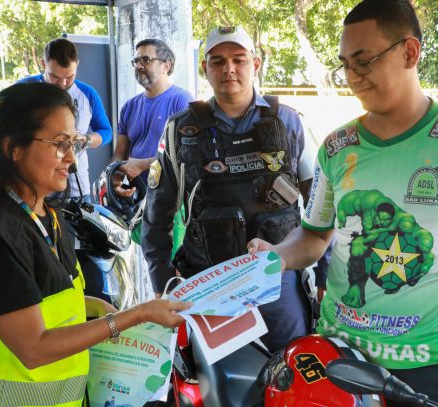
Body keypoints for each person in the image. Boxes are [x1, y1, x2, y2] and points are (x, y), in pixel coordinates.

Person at [248, 2, 438, 406]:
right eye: (345, 65)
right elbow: (315, 236)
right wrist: (278, 255)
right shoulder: (337, 147)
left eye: (364, 61)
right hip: (339, 357)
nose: (352, 77)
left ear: (410, 52)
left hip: (427, 365)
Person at [0, 82, 190, 406]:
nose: (71, 159)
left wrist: (90, 305)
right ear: (12, 148)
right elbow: (34, 347)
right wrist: (134, 316)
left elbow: (42, 296)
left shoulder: (47, 214)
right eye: (60, 145)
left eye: (73, 143)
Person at [141, 26, 314, 352]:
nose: (229, 69)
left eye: (238, 59)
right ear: (205, 68)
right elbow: (156, 215)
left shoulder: (289, 123)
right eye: (218, 61)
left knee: (291, 375)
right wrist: (162, 285)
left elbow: (322, 209)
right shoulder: (181, 130)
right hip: (209, 286)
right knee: (220, 387)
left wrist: (328, 278)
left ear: (256, 64)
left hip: (279, 282)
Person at [18, 38, 112, 202]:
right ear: (43, 63)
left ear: (77, 64)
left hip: (76, 190)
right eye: (55, 76)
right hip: (33, 187)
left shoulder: (87, 94)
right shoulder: (23, 89)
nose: (62, 84)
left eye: (70, 77)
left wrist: (87, 140)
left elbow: (106, 132)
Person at [112, 38, 194, 196]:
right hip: (137, 196)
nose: (139, 66)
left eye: (146, 60)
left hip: (172, 198)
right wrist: (114, 184)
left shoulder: (182, 100)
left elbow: (186, 155)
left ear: (166, 65)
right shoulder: (129, 106)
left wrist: (142, 165)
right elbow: (119, 153)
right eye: (136, 61)